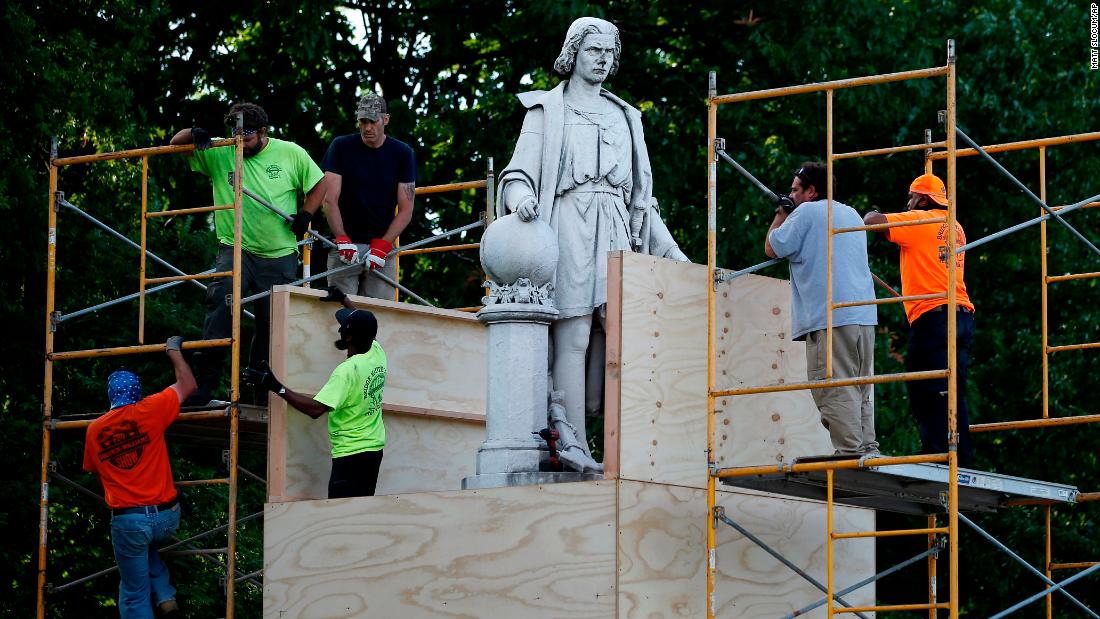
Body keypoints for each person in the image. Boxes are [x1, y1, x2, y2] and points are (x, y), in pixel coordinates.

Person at [497, 17, 689, 462]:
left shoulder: (626, 117)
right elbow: (517, 174)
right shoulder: (548, 109)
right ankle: (572, 442)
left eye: (608, 52)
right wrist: (522, 199)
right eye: (593, 51)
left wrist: (670, 250)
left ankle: (627, 450)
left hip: (617, 227)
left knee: (625, 336)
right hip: (568, 223)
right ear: (574, 54)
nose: (602, 59)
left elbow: (643, 199)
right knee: (575, 333)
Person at [170, 102, 327, 404]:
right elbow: (174, 146)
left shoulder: (289, 152)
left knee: (271, 324)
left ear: (263, 132)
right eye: (237, 134)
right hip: (235, 247)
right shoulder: (223, 149)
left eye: (249, 135)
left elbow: (319, 183)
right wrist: (194, 132)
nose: (242, 140)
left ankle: (259, 393)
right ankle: (202, 386)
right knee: (220, 308)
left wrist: (307, 214)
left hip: (279, 253)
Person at [765, 162, 879, 456]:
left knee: (832, 386)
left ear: (811, 191)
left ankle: (851, 452)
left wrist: (781, 213)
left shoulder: (806, 212)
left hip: (830, 318)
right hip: (863, 315)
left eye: (795, 190)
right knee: (859, 387)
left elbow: (773, 246)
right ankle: (868, 447)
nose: (791, 195)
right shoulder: (850, 213)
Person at [864, 173, 975, 465]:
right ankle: (959, 457)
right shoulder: (956, 226)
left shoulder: (920, 219)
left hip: (934, 318)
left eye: (912, 196)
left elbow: (872, 223)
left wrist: (873, 211)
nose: (908, 201)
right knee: (953, 390)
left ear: (923, 199)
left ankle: (937, 454)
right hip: (960, 314)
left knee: (924, 385)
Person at [83, 337, 195, 619]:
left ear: (110, 395)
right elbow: (187, 385)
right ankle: (167, 598)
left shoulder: (95, 430)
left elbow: (97, 471)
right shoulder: (151, 409)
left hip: (130, 519)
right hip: (167, 515)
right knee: (144, 547)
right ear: (137, 391)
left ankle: (160, 600)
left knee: (134, 591)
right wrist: (173, 351)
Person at [247, 287, 387, 498]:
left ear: (348, 337)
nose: (338, 330)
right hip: (373, 450)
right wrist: (344, 299)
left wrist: (276, 386)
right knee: (359, 512)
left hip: (351, 454)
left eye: (342, 327)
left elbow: (315, 409)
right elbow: (364, 325)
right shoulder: (377, 353)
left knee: (340, 515)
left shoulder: (346, 372)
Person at [320, 93, 417, 299]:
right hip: (344, 246)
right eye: (363, 121)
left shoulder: (402, 153)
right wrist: (341, 238)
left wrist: (383, 245)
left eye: (372, 121)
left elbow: (406, 208)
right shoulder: (341, 146)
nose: (367, 128)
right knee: (339, 316)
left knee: (380, 319)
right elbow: (329, 199)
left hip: (382, 248)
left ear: (386, 120)